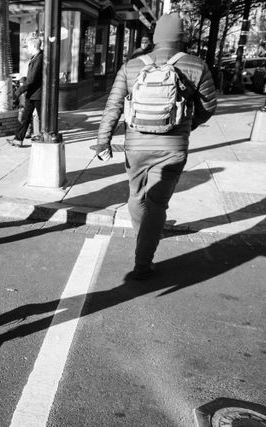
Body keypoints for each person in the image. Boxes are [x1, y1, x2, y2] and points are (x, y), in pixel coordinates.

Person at [94, 13, 217, 280]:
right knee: (158, 202)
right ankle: (143, 262)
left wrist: (102, 140)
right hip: (173, 146)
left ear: (155, 37)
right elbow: (209, 106)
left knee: (136, 196)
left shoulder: (132, 66)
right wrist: (187, 126)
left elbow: (113, 106)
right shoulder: (197, 66)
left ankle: (144, 238)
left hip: (135, 145)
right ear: (181, 38)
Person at [7, 37, 43, 147]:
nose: (27, 50)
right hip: (32, 94)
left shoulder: (39, 58)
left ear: (33, 46)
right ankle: (18, 139)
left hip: (38, 94)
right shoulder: (35, 58)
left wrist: (17, 92)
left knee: (42, 118)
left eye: (28, 47)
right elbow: (31, 78)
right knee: (25, 117)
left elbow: (31, 80)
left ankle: (44, 137)